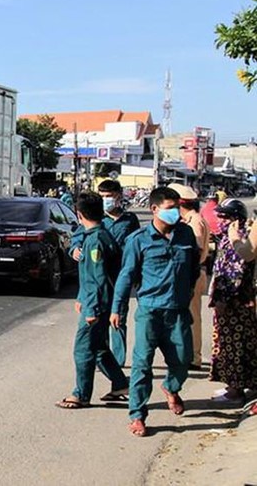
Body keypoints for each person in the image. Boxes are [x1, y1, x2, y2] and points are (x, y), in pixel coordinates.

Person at [112, 186, 200, 437]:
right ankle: (137, 415)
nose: (176, 214)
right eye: (170, 209)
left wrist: (189, 290)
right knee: (142, 365)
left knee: (184, 360)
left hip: (178, 311)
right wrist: (118, 308)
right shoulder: (138, 240)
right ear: (154, 209)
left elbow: (193, 266)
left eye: (177, 209)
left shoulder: (185, 235)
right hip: (150, 311)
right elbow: (126, 276)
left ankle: (171, 387)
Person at [57, 193, 129, 409]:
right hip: (96, 302)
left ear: (79, 214)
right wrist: (82, 298)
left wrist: (92, 309)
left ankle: (81, 394)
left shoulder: (95, 241)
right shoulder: (99, 236)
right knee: (98, 347)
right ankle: (120, 384)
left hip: (97, 305)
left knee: (83, 349)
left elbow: (97, 279)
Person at [70, 179, 141, 366]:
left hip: (119, 277)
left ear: (118, 196)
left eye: (109, 196)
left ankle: (117, 361)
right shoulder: (96, 219)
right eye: (102, 197)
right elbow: (77, 238)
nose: (106, 200)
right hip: (98, 277)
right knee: (99, 320)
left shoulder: (129, 220)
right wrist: (75, 249)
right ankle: (104, 360)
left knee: (118, 319)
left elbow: (137, 247)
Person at [206, 199, 257, 403]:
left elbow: (236, 273)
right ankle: (232, 385)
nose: (220, 219)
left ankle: (235, 390)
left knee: (233, 347)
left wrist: (224, 300)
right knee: (229, 345)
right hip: (233, 301)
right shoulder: (228, 237)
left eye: (225, 216)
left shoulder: (239, 238)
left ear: (236, 219)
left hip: (234, 303)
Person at [169, 183, 211, 371]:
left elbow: (194, 252)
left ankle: (194, 356)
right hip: (190, 274)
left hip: (193, 274)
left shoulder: (194, 222)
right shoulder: (188, 220)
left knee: (192, 316)